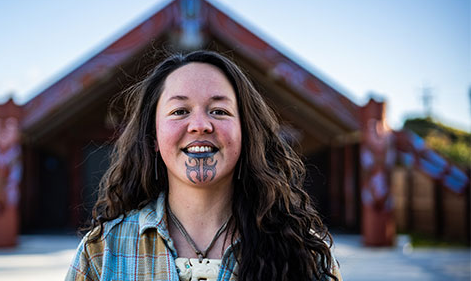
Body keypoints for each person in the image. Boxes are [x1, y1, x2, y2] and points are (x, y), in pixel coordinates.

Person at [65, 50, 342, 281]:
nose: (200, 125)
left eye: (219, 111)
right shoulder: (102, 252)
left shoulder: (304, 251)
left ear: (246, 133)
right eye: (180, 111)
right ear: (153, 138)